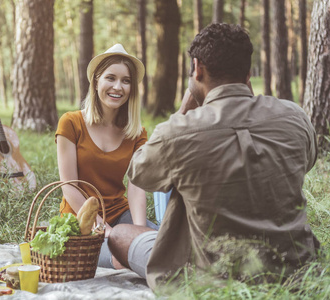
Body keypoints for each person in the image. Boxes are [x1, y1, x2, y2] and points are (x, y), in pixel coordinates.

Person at [108, 23, 320, 289]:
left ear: (197, 68)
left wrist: (183, 110)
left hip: (212, 279)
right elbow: (307, 162)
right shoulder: (294, 116)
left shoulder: (177, 131)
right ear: (248, 72)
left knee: (119, 235)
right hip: (296, 271)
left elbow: (140, 173)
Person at [55, 44, 158, 269]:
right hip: (79, 220)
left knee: (162, 243)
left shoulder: (136, 132)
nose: (118, 87)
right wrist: (108, 233)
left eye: (126, 80)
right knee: (125, 259)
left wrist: (138, 230)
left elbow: (136, 185)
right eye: (110, 78)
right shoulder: (71, 123)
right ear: (96, 81)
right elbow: (69, 186)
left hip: (120, 213)